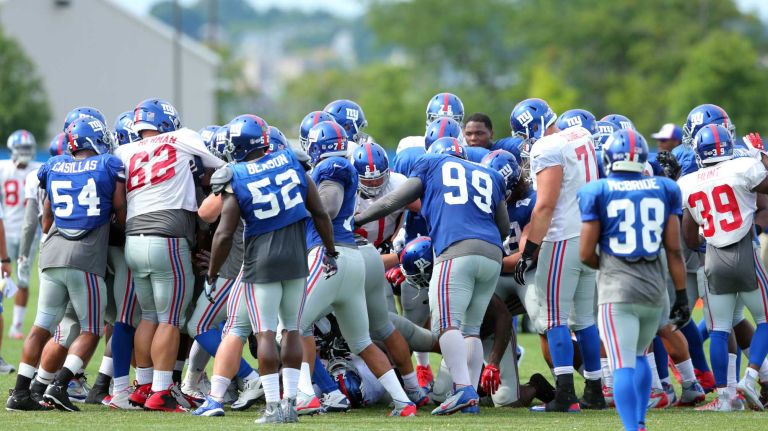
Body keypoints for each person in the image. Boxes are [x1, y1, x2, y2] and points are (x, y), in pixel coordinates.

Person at [192, 114, 334, 423]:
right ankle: (292, 404)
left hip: (261, 264)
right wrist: (331, 251)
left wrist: (213, 273)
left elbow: (224, 232)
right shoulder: (292, 160)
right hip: (296, 259)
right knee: (293, 331)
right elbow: (320, 213)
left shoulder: (236, 175)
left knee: (265, 334)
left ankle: (272, 407)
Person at [355, 136, 509, 415]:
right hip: (493, 254)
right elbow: (503, 226)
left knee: (447, 324)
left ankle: (462, 390)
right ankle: (470, 396)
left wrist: (355, 221)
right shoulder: (490, 173)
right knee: (471, 328)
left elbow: (393, 200)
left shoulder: (431, 163)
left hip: (456, 249)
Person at [296, 120, 417, 418]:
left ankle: (305, 395)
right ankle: (404, 402)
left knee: (292, 325)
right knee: (361, 341)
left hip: (329, 256)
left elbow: (329, 207)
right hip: (354, 258)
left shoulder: (331, 168)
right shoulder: (346, 166)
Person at [6, 117, 126, 412]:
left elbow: (46, 220)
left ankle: (20, 393)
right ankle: (60, 386)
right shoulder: (109, 164)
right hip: (84, 257)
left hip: (50, 254)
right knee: (92, 329)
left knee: (41, 326)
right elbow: (121, 210)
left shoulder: (52, 165)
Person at [114, 98, 225, 412]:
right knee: (171, 319)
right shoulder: (183, 137)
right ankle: (161, 391)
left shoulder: (125, 150)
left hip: (134, 238)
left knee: (148, 316)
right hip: (168, 236)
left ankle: (144, 386)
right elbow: (219, 166)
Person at [578, 128, 690, 430]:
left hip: (618, 288)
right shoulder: (665, 188)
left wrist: (610, 265)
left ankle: (632, 428)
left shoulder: (596, 190)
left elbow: (585, 252)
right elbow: (674, 251)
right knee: (641, 355)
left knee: (622, 362)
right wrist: (681, 296)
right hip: (655, 288)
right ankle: (639, 422)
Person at [510, 98, 604, 412]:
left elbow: (546, 205)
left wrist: (530, 251)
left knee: (554, 318)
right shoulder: (581, 135)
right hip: (589, 235)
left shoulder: (545, 147)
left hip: (563, 237)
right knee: (585, 319)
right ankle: (594, 390)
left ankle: (565, 395)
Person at [679, 124, 768, 411]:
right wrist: (762, 156)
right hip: (745, 251)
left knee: (719, 329)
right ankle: (751, 376)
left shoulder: (689, 181)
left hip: (714, 258)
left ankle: (726, 397)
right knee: (765, 320)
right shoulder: (743, 166)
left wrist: (708, 241)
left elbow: (689, 237)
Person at [2, 129, 42, 340]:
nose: (25, 152)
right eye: (21, 148)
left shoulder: (38, 170)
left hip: (30, 234)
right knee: (2, 277)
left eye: (28, 148)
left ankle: (15, 326)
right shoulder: (3, 168)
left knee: (24, 280)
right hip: (6, 231)